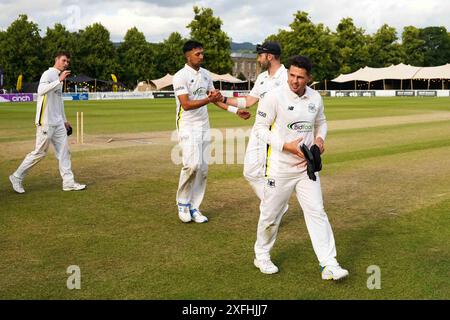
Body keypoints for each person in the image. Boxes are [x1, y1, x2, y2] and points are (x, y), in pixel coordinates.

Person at [252, 55, 349, 280]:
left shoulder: (315, 97)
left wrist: (320, 140)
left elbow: (321, 122)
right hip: (279, 167)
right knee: (270, 215)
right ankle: (262, 254)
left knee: (317, 212)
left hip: (307, 167)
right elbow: (259, 129)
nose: (295, 81)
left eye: (300, 77)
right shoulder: (273, 97)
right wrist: (285, 145)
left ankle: (329, 264)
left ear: (309, 78)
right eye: (292, 75)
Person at [173, 40, 250, 224]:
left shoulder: (206, 74)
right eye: (197, 54)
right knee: (191, 165)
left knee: (203, 169)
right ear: (187, 55)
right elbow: (186, 104)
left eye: (202, 53)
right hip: (187, 125)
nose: (201, 56)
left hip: (204, 125)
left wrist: (236, 111)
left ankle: (194, 206)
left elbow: (215, 99)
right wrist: (208, 100)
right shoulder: (180, 76)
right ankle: (182, 203)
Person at [9, 51, 86, 194]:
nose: (66, 63)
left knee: (64, 153)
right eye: (64, 60)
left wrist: (64, 120)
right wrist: (59, 80)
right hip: (45, 122)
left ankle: (68, 183)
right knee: (39, 153)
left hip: (58, 123)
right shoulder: (48, 74)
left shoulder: (59, 78)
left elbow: (58, 101)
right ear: (56, 60)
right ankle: (16, 177)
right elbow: (40, 90)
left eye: (68, 61)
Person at [222, 42, 287, 201]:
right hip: (259, 130)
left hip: (275, 132)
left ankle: (273, 206)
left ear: (269, 56)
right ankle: (275, 204)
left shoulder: (286, 76)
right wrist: (223, 99)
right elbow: (249, 101)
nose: (258, 59)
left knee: (274, 174)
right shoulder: (262, 77)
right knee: (250, 173)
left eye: (260, 56)